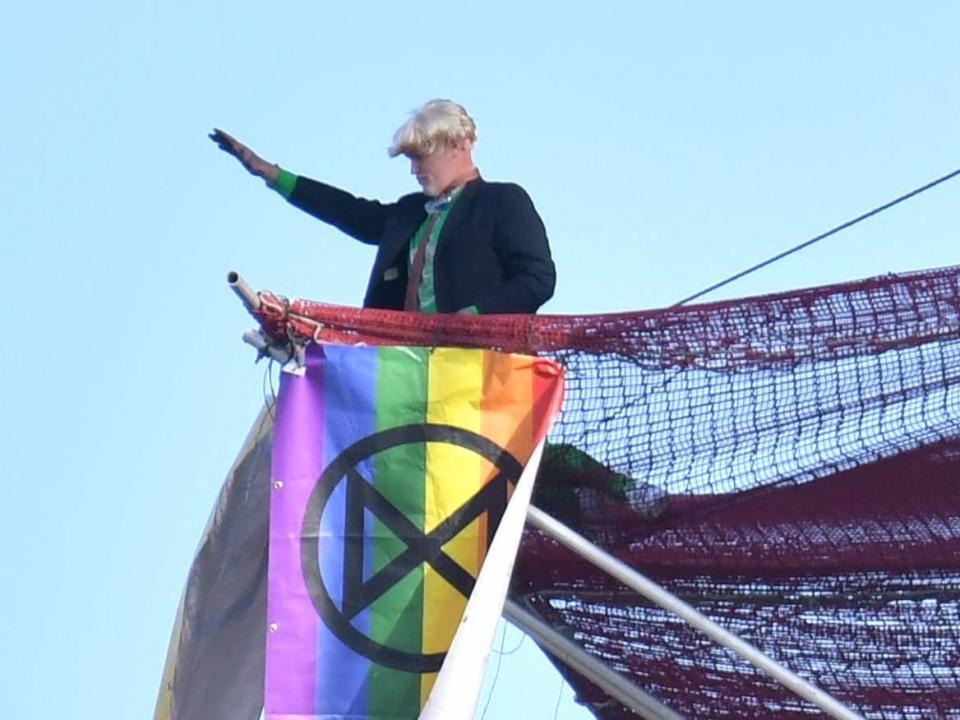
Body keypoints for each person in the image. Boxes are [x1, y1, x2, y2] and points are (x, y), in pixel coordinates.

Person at [211, 99, 555, 314]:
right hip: (402, 366)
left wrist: (476, 316)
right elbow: (348, 210)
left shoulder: (501, 201)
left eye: (421, 157)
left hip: (478, 368)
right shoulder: (409, 212)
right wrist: (272, 175)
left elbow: (537, 280)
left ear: (458, 146)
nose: (414, 170)